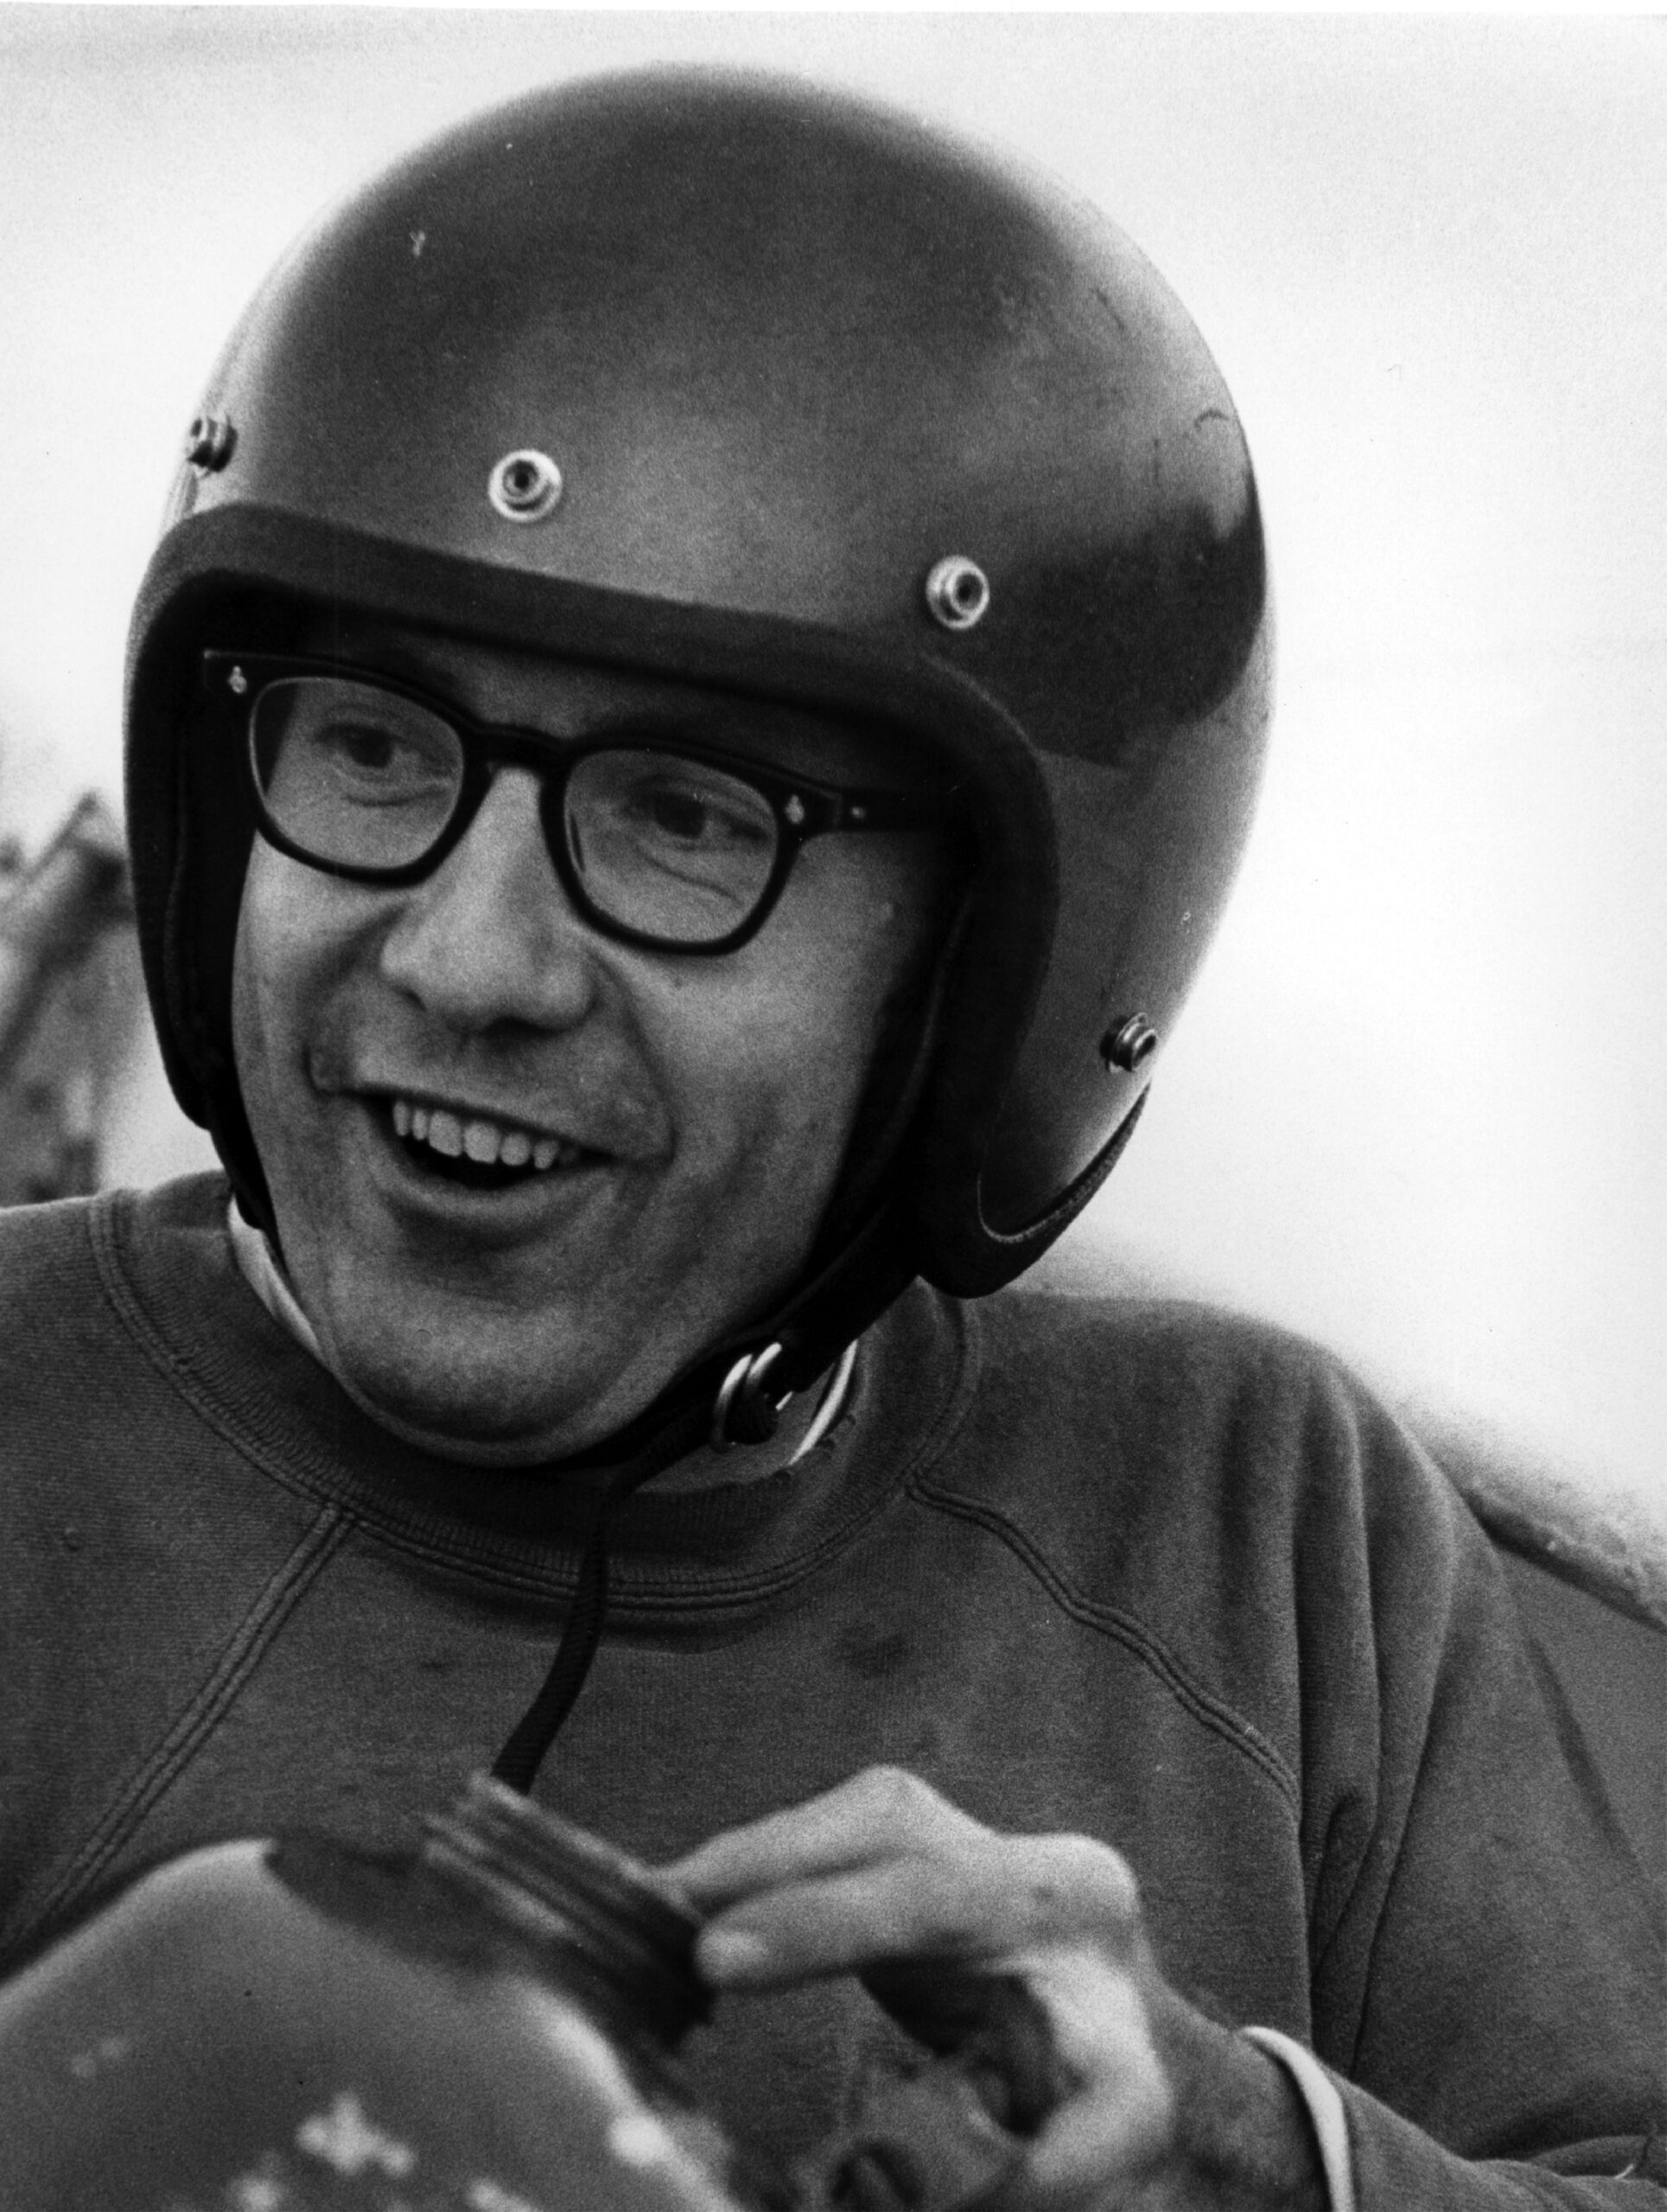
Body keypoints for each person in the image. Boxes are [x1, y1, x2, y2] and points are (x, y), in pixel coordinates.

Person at [1, 68, 1660, 2212]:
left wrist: (1254, 2149)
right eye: (373, 748)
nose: (469, 959)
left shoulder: (1261, 1532)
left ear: (981, 984)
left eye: (690, 818)